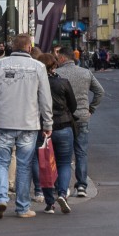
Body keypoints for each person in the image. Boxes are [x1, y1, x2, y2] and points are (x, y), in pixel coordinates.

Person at [0, 34, 52, 219]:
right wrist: (48, 122)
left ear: (12, 47)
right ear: (29, 48)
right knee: (24, 165)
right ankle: (22, 207)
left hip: (3, 122)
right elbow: (45, 99)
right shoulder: (39, 67)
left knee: (1, 162)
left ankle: (1, 198)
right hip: (29, 123)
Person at [53, 45, 104, 196]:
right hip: (82, 117)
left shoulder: (56, 74)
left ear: (62, 58)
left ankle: (61, 186)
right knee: (81, 152)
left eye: (57, 58)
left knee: (61, 154)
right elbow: (100, 92)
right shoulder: (86, 73)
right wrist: (91, 109)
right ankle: (81, 185)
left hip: (63, 119)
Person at [38, 53, 77, 214]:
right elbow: (73, 105)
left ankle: (49, 202)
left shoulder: (37, 83)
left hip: (43, 129)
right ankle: (62, 193)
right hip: (63, 126)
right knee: (64, 163)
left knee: (44, 164)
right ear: (54, 66)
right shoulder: (63, 82)